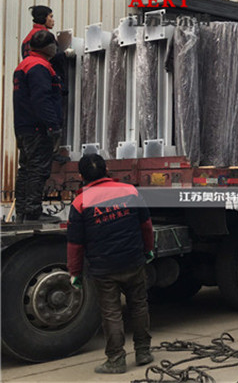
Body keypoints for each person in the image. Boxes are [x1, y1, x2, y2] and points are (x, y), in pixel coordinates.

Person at [66, 154, 155, 374]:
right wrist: (148, 249)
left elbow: (75, 244)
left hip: (104, 268)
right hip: (133, 261)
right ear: (107, 171)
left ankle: (116, 360)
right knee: (139, 305)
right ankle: (143, 351)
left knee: (111, 312)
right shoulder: (130, 191)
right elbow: (146, 225)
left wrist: (75, 273)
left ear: (81, 177)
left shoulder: (80, 203)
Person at [13, 30, 63, 223]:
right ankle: (33, 213)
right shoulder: (40, 67)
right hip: (37, 128)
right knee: (37, 169)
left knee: (25, 169)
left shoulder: (24, 65)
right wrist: (53, 126)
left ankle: (22, 212)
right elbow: (42, 99)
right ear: (48, 47)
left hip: (23, 127)